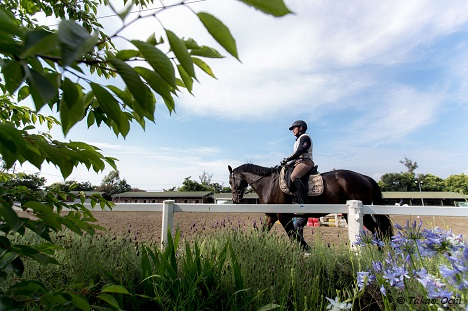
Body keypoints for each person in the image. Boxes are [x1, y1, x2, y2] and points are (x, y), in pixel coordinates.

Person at [281, 120, 315, 204]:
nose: (293, 130)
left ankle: (303, 200)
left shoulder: (305, 137)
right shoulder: (298, 140)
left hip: (306, 162)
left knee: (294, 176)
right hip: (299, 162)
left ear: (301, 128)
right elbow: (297, 156)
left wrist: (287, 159)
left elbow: (299, 152)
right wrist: (288, 163)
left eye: (294, 128)